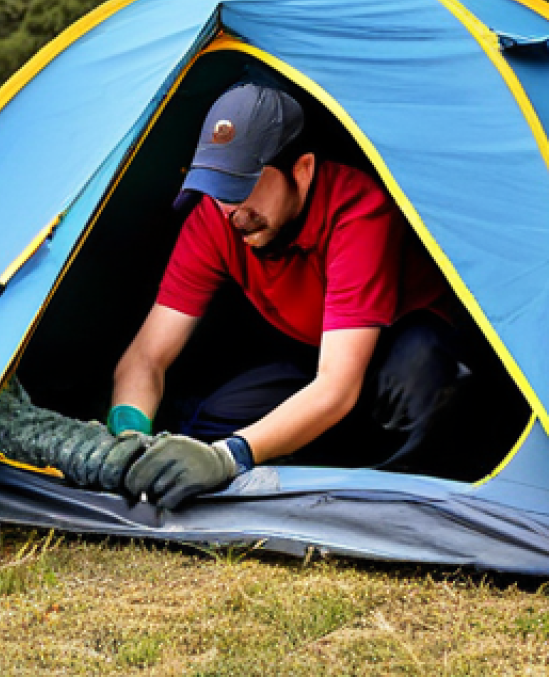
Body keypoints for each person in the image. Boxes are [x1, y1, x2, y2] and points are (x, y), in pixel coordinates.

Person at [109, 81, 482, 510]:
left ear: (302, 171)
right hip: (316, 353)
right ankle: (313, 454)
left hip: (401, 348)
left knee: (416, 379)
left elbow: (339, 386)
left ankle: (386, 489)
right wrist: (129, 439)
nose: (231, 211)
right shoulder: (216, 217)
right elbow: (146, 358)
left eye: (242, 186)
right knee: (208, 425)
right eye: (217, 188)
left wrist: (229, 458)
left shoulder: (359, 210)